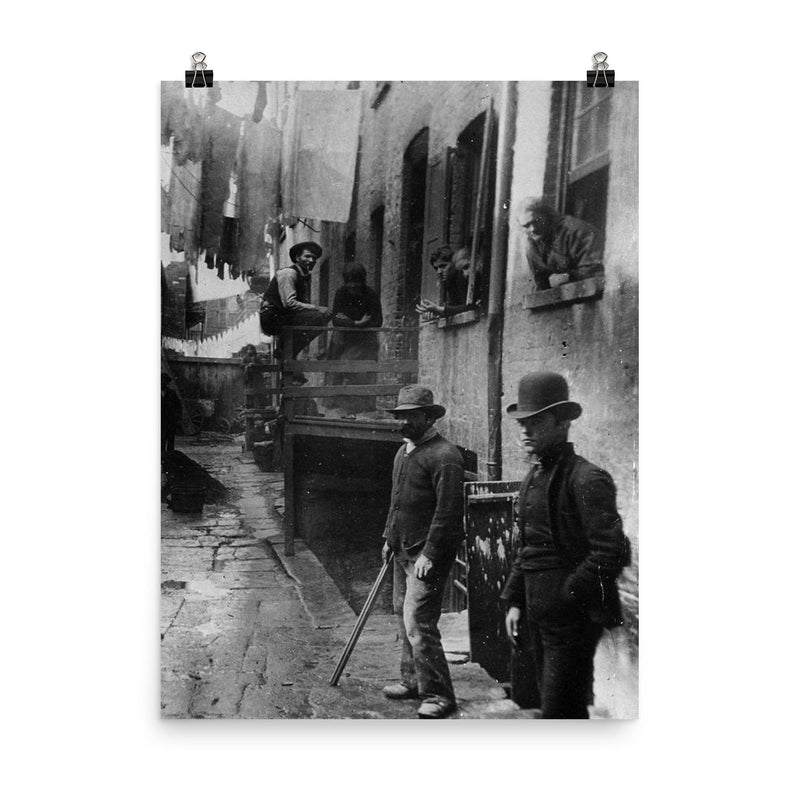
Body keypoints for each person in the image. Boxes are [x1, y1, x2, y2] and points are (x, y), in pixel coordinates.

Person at [501, 372, 630, 718]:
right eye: (522, 423)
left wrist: (567, 596)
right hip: (538, 615)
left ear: (562, 424)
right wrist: (515, 600)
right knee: (549, 705)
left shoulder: (586, 478)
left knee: (562, 710)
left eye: (536, 422)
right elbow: (528, 547)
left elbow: (612, 550)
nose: (526, 430)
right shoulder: (535, 476)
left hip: (571, 621)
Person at [380, 385, 464, 719]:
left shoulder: (445, 456)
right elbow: (396, 500)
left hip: (428, 556)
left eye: (409, 417)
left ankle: (440, 695)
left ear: (428, 417)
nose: (402, 424)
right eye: (399, 417)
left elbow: (448, 513)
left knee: (419, 622)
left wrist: (430, 553)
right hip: (403, 549)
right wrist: (389, 537)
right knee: (404, 614)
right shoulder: (404, 453)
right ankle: (412, 681)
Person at [259, 241, 333, 358]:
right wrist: (317, 308)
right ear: (297, 257)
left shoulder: (302, 276)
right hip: (272, 317)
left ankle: (288, 351)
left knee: (324, 316)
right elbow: (290, 303)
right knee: (319, 317)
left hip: (283, 315)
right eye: (307, 256)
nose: (311, 260)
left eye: (314, 258)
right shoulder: (289, 273)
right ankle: (284, 350)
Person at [326, 264, 383, 414]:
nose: (353, 286)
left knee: (360, 373)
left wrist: (363, 325)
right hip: (343, 340)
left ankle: (361, 409)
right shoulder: (341, 293)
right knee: (336, 370)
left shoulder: (370, 294)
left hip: (364, 341)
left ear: (362, 281)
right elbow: (336, 318)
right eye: (350, 282)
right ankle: (335, 408)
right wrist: (355, 323)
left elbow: (378, 320)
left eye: (356, 282)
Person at [517, 197, 604, 290]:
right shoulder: (532, 245)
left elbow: (594, 273)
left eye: (537, 221)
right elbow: (541, 283)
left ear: (547, 215)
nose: (533, 229)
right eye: (526, 226)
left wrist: (566, 277)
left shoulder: (575, 232)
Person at [415, 246, 480, 318]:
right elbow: (455, 305)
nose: (439, 271)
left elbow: (471, 306)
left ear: (453, 263)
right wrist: (436, 312)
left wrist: (439, 309)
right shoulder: (449, 281)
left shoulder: (464, 276)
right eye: (436, 268)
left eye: (443, 266)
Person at [161, 373, 182, 453]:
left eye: (164, 381)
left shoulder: (172, 393)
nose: (162, 383)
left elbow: (179, 407)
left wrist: (177, 418)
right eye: (161, 381)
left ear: (167, 383)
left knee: (170, 442)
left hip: (170, 423)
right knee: (160, 443)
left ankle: (170, 461)